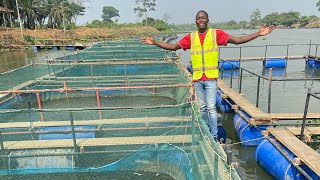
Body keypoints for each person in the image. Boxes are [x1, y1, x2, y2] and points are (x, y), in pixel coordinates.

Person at [141, 10, 274, 138]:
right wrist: (155, 43)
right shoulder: (191, 37)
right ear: (195, 21)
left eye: (203, 18)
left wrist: (258, 33)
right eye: (199, 18)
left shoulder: (216, 34)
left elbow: (239, 40)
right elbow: (173, 47)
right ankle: (204, 132)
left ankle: (214, 136)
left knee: (211, 107)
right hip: (198, 79)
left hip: (210, 79)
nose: (201, 20)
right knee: (203, 108)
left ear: (208, 20)